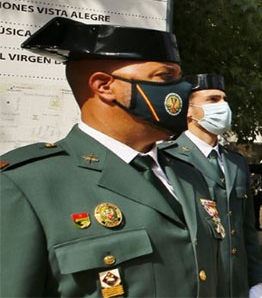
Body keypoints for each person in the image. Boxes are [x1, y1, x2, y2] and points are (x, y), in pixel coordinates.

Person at [1, 17, 222, 296]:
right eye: (166, 77)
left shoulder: (190, 175)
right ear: (104, 86)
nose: (184, 90)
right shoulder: (26, 187)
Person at [160, 74, 262, 297]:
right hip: (196, 284)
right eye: (213, 99)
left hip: (235, 282)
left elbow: (247, 229)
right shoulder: (167, 159)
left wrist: (256, 280)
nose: (223, 106)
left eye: (224, 99)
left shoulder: (236, 163)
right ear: (189, 110)